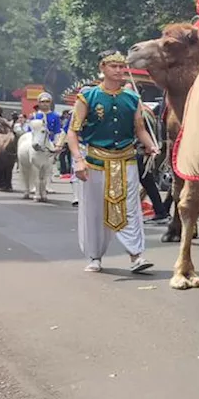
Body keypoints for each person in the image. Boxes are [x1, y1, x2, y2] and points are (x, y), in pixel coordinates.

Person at [67, 51, 157, 274]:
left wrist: (151, 146)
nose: (119, 70)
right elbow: (72, 131)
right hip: (96, 161)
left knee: (130, 209)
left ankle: (136, 256)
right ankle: (95, 256)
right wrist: (78, 160)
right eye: (114, 66)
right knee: (95, 210)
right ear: (103, 68)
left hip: (126, 160)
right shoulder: (87, 97)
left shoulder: (132, 99)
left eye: (121, 66)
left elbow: (140, 129)